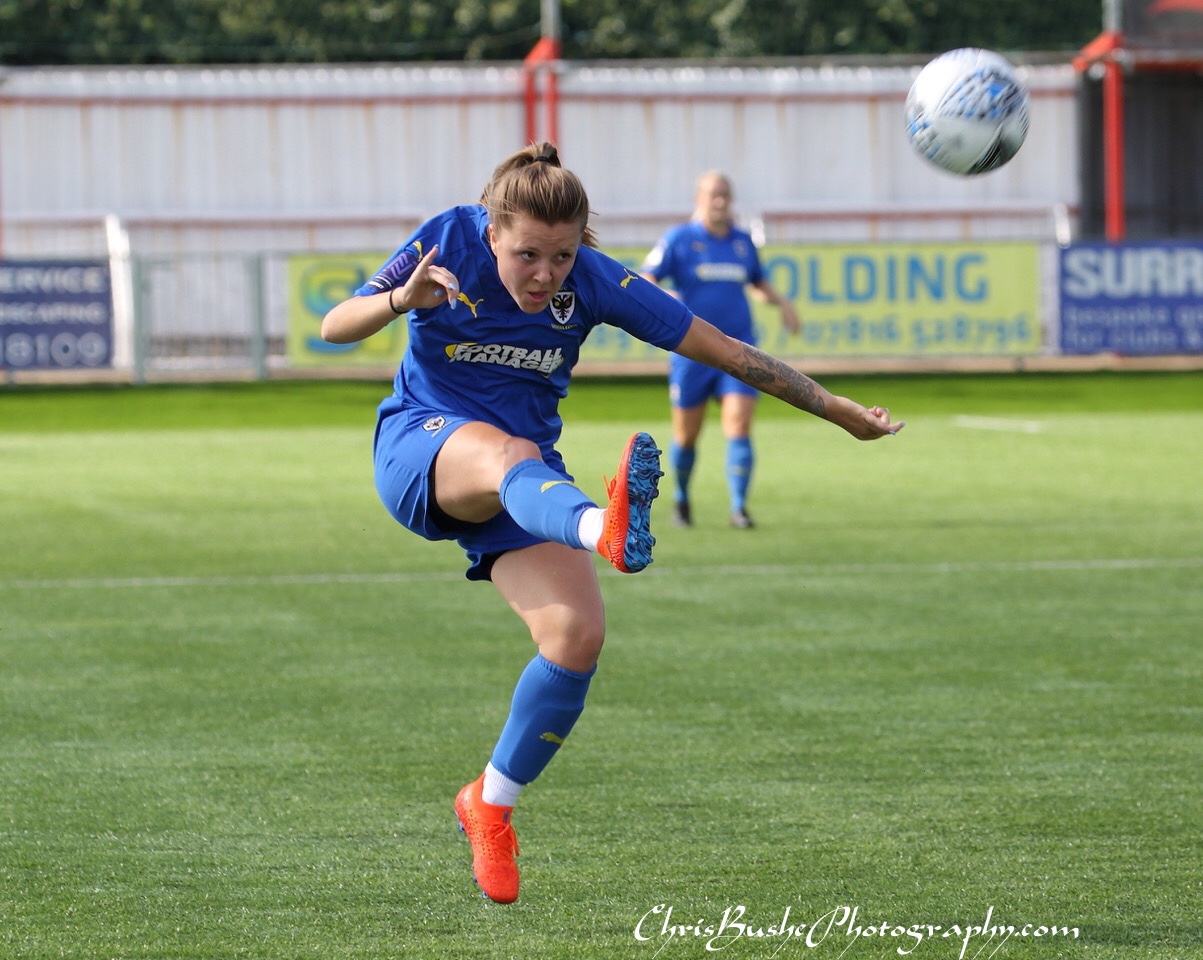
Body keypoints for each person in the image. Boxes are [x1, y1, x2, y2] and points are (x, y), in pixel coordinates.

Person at [321, 143, 902, 905]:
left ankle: (489, 803)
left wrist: (835, 410)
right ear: (492, 233)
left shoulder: (593, 280)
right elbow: (336, 324)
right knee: (510, 452)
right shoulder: (449, 240)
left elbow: (724, 350)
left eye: (561, 256)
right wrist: (402, 299)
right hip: (420, 446)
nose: (545, 274)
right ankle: (602, 528)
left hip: (524, 487)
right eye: (527, 255)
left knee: (576, 637)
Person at [641, 171, 801, 529]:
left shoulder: (742, 243)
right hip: (692, 351)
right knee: (686, 435)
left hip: (739, 347)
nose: (720, 201)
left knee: (739, 423)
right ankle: (682, 499)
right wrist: (667, 297)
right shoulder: (679, 239)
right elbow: (647, 277)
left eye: (725, 194)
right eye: (713, 194)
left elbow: (757, 283)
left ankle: (739, 508)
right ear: (698, 198)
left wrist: (782, 303)